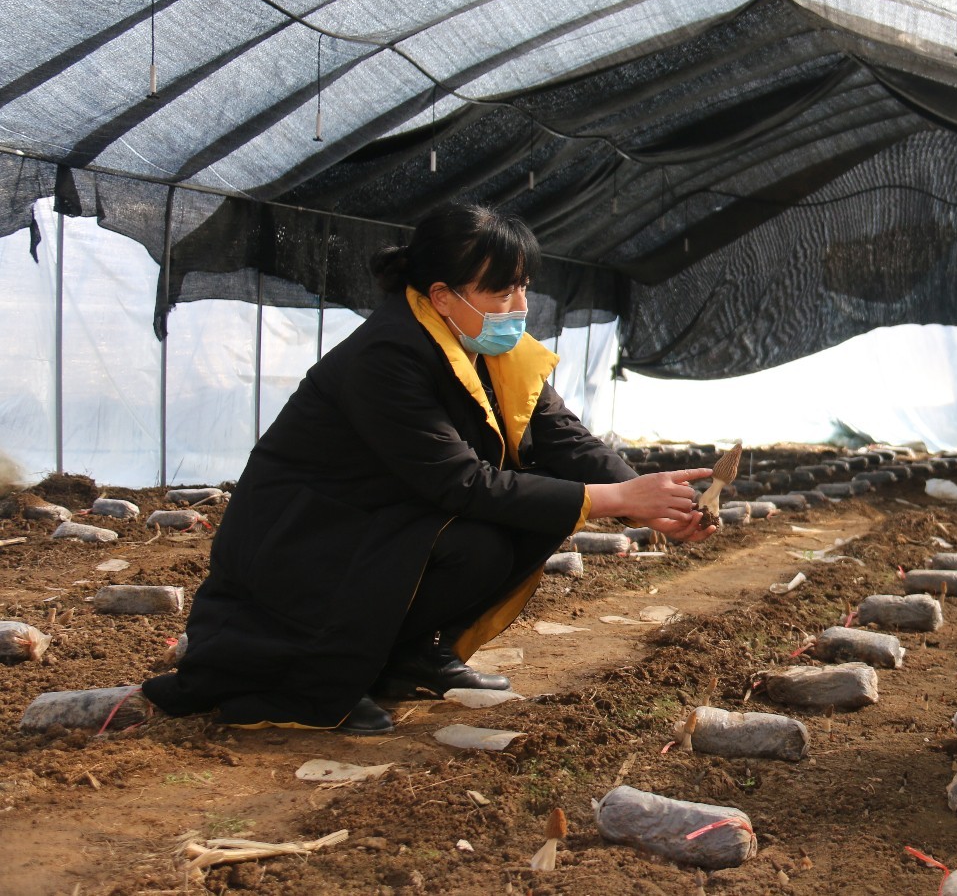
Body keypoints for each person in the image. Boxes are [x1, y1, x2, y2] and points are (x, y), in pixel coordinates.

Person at [144, 203, 715, 734]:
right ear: (442, 296)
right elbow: (459, 481)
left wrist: (658, 501)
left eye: (522, 286)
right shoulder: (388, 356)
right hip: (307, 537)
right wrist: (618, 501)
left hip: (384, 519)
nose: (519, 307)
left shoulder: (492, 350)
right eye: (500, 291)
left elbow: (561, 436)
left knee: (521, 523)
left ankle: (409, 659)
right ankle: (302, 683)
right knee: (493, 528)